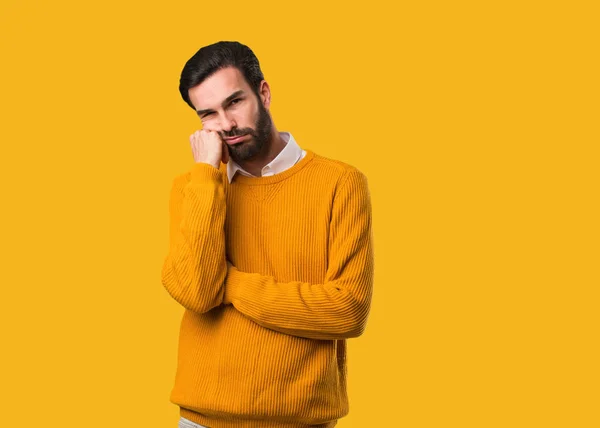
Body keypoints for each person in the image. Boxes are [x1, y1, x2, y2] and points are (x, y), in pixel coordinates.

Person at [161, 41, 375, 428]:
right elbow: (195, 292)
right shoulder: (194, 188)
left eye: (234, 102)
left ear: (264, 92)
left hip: (302, 420)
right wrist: (208, 176)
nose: (225, 124)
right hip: (201, 420)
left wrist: (230, 283)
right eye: (208, 114)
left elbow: (348, 311)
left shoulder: (340, 183)